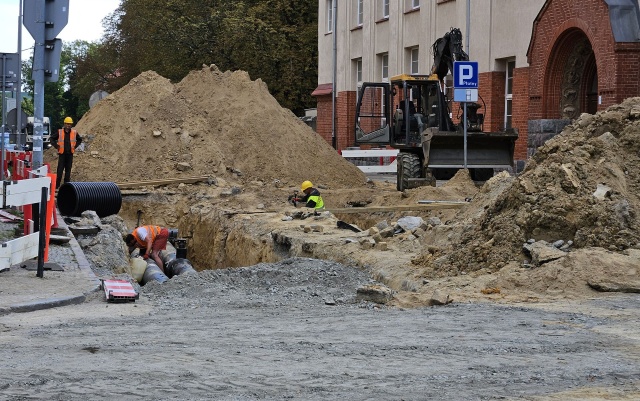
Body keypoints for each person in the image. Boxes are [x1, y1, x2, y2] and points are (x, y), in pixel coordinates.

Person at [50, 116, 83, 189]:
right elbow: (52, 138)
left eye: (70, 124)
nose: (68, 125)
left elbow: (79, 139)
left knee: (68, 172)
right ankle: (57, 186)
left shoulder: (74, 133)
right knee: (59, 171)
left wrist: (75, 146)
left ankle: (66, 187)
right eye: (67, 124)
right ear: (64, 124)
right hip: (62, 154)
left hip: (70, 154)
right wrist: (56, 146)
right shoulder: (60, 132)